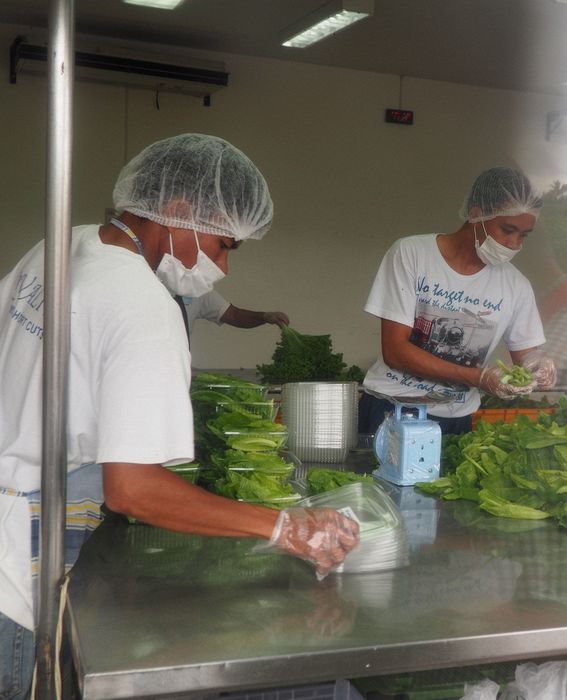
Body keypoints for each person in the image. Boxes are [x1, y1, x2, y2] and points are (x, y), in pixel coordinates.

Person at [0, 133, 359, 699]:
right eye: (223, 245)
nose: (221, 266)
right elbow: (133, 490)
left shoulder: (64, 244)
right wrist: (283, 527)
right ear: (176, 211)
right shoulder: (142, 303)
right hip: (15, 564)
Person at [358, 166, 557, 436]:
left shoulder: (516, 285)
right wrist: (478, 377)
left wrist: (537, 364)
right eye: (507, 229)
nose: (514, 243)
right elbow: (395, 351)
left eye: (523, 235)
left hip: (456, 420)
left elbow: (526, 355)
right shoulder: (412, 254)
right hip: (391, 408)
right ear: (476, 213)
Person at [181, 289, 289, 338]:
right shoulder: (163, 287)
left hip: (178, 367)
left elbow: (235, 316)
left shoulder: (198, 289)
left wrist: (265, 317)